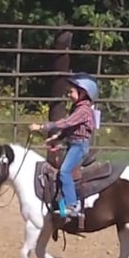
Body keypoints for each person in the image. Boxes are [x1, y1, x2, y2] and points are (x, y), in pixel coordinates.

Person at [29, 72, 98, 220]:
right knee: (60, 171)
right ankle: (61, 202)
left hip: (79, 146)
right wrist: (57, 138)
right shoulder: (77, 108)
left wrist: (42, 127)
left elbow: (67, 123)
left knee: (64, 172)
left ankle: (72, 205)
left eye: (71, 92)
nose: (69, 94)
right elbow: (70, 129)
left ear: (83, 93)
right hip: (73, 145)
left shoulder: (83, 110)